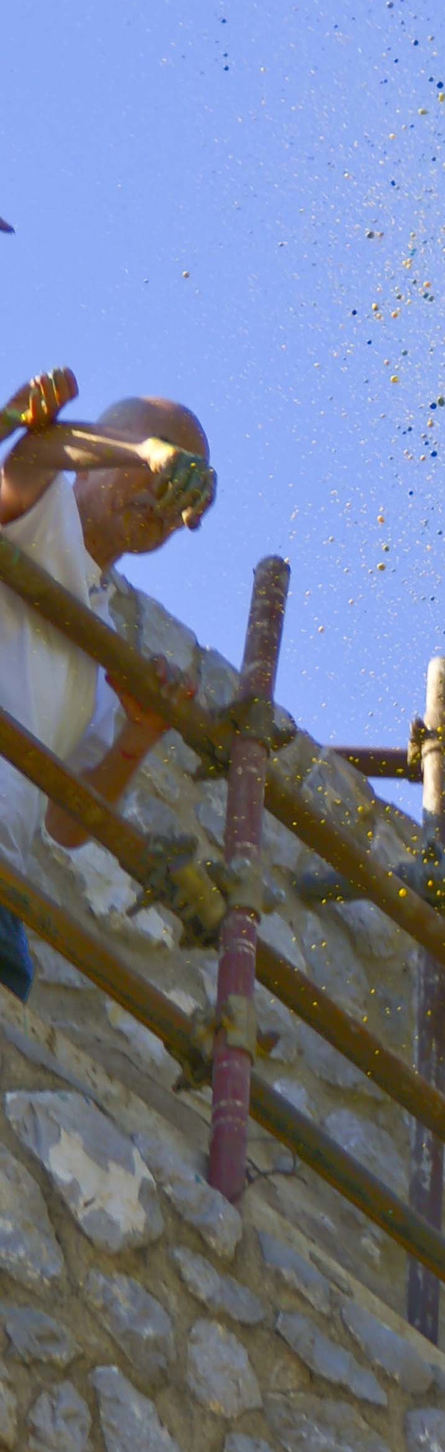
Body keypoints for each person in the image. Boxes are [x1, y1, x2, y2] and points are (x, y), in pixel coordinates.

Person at [0, 368, 216, 1004]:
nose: (164, 496)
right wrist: (143, 451)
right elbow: (34, 454)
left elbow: (67, 823)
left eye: (180, 487)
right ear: (93, 460)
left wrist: (139, 736)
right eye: (160, 467)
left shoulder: (98, 643)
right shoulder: (42, 515)